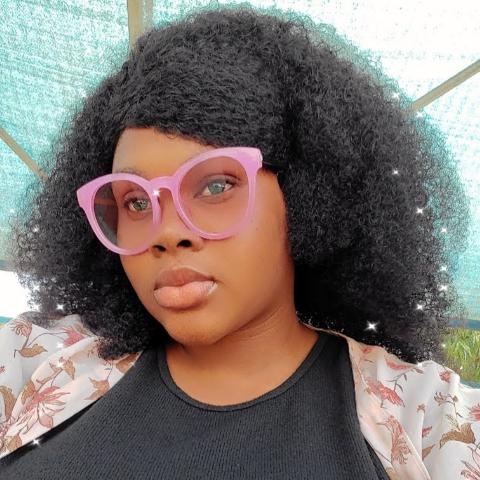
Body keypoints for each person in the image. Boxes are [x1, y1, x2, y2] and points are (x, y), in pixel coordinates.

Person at [0, 6, 476, 479]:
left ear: (306, 196)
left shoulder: (428, 419)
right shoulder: (35, 361)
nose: (167, 233)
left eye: (215, 186)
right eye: (136, 202)